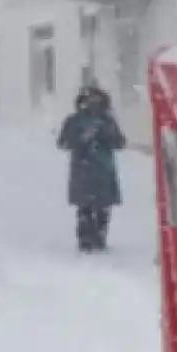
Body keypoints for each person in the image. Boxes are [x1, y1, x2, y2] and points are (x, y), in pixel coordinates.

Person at [56, 85, 126, 253]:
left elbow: (119, 142)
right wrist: (81, 139)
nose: (93, 103)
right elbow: (63, 142)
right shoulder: (76, 120)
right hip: (87, 170)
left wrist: (104, 135)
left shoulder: (106, 120)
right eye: (90, 99)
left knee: (98, 208)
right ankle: (87, 238)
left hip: (98, 170)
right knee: (87, 208)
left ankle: (96, 237)